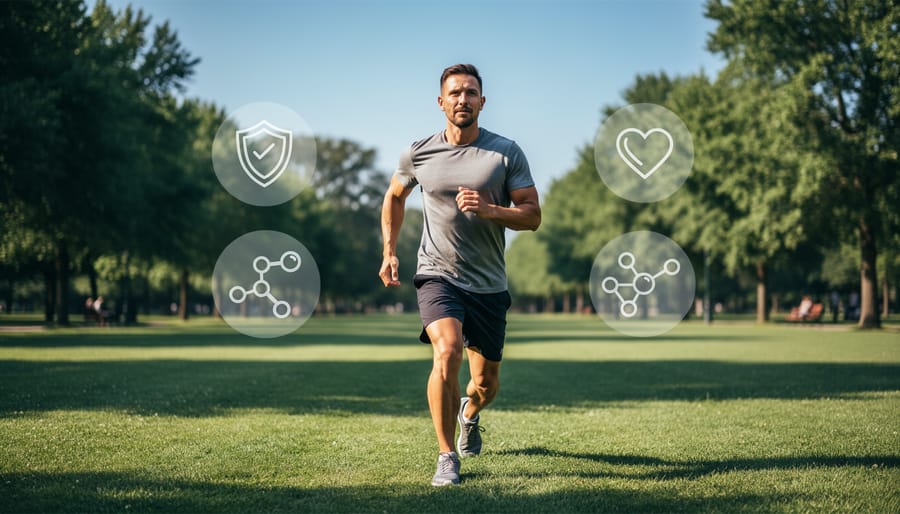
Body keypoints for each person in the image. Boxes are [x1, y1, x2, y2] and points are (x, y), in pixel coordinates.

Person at [379, 64, 541, 487]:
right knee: (447, 351)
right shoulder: (419, 153)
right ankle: (446, 455)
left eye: (470, 93)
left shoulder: (505, 153)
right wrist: (389, 250)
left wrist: (491, 209)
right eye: (455, 93)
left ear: (482, 102)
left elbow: (532, 216)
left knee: (485, 384)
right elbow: (394, 196)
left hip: (488, 283)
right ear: (441, 102)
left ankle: (470, 412)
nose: (462, 99)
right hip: (437, 273)